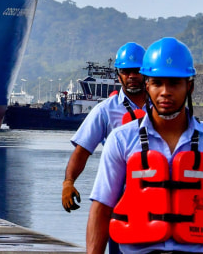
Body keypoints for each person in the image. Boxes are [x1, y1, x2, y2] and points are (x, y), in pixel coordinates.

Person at [87, 37, 203, 254]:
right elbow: (102, 207)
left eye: (174, 83)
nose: (165, 91)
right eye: (157, 83)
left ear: (189, 87)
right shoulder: (121, 140)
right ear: (147, 86)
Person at [62, 42, 148, 213]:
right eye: (125, 71)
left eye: (136, 70)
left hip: (156, 195)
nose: (131, 75)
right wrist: (68, 182)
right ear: (118, 75)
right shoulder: (104, 111)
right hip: (118, 200)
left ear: (146, 72)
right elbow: (81, 151)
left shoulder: (161, 107)